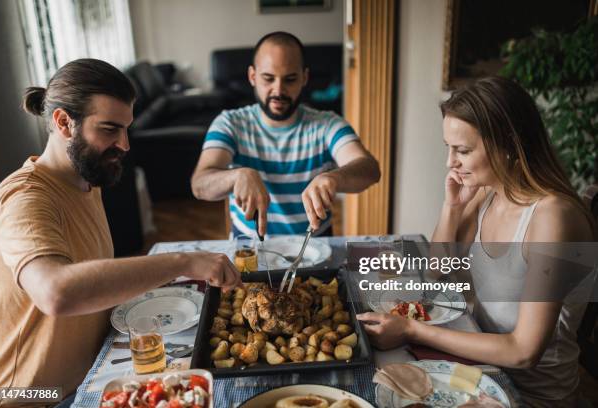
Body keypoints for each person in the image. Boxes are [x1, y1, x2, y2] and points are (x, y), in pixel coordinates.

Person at [0, 59, 241, 405]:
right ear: (63, 123)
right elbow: (56, 292)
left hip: (91, 375)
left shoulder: (85, 181)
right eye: (109, 129)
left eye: (125, 129)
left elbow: (91, 275)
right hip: (30, 397)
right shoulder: (25, 199)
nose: (124, 144)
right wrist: (182, 262)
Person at [357, 76, 595, 407]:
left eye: (463, 150)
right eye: (449, 148)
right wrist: (451, 207)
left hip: (534, 397)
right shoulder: (489, 192)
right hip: (482, 375)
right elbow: (438, 271)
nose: (450, 162)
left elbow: (524, 352)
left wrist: (412, 331)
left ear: (509, 143)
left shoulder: (553, 217)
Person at [191, 31, 380, 237]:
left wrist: (335, 178)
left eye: (290, 79)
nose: (278, 90)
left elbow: (370, 169)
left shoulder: (327, 124)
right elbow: (199, 184)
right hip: (249, 250)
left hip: (315, 247)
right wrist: (236, 176)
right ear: (252, 77)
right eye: (268, 79)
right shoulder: (229, 123)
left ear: (304, 78)